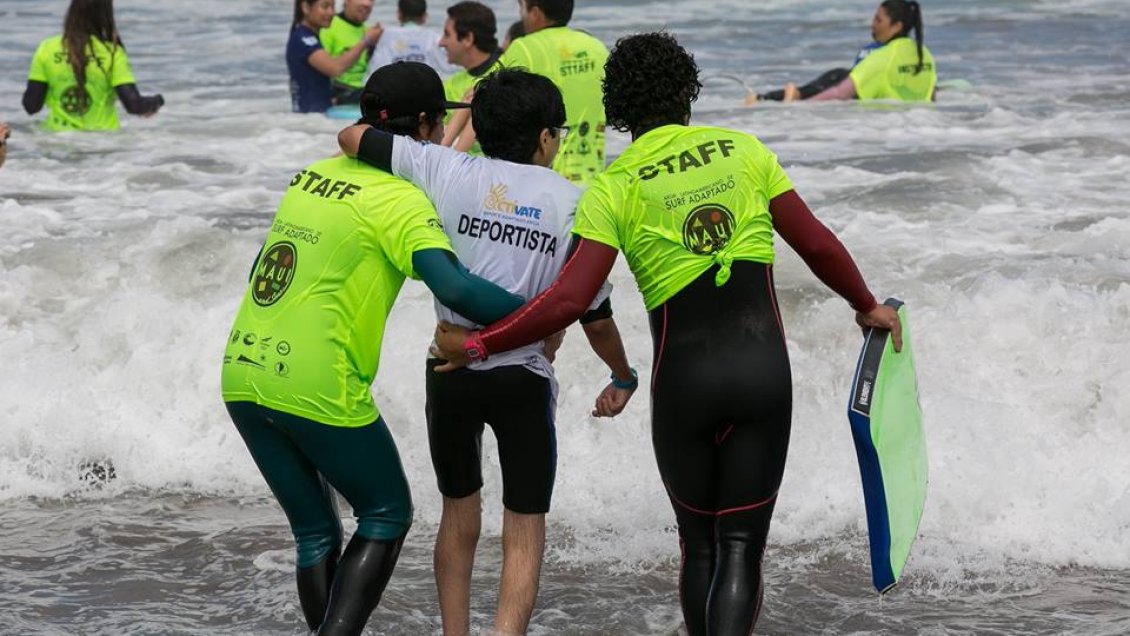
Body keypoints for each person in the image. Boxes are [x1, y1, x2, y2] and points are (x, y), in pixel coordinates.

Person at [432, 33, 903, 636]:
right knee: (739, 547)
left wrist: (479, 345)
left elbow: (571, 300)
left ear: (619, 107)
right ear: (688, 91)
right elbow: (814, 242)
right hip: (761, 375)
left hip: (684, 385)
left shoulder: (614, 184)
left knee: (698, 547)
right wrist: (865, 304)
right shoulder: (744, 151)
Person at [221, 62, 527, 636]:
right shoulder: (400, 200)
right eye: (439, 126)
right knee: (386, 513)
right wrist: (541, 311)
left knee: (316, 533)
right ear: (431, 126)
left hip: (243, 371)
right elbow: (455, 286)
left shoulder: (310, 175)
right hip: (317, 381)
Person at [338, 68, 638, 636]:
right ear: (546, 138)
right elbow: (594, 316)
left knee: (459, 513)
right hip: (521, 377)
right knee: (524, 523)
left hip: (449, 368)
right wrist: (622, 374)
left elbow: (353, 138)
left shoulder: (444, 167)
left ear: (481, 124)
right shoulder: (576, 202)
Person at [498, 0, 608, 186]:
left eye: (522, 8)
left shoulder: (524, 48)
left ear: (535, 13)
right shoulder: (596, 47)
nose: (521, 16)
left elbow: (480, 92)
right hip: (594, 181)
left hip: (545, 183)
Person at [22, 0, 163, 131]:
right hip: (102, 142)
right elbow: (134, 105)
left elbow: (31, 106)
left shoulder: (47, 48)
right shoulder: (112, 53)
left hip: (58, 141)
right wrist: (157, 101)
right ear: (105, 14)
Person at [756, 0, 935, 103]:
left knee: (837, 76)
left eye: (878, 20)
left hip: (880, 122)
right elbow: (931, 94)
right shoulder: (924, 53)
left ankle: (770, 98)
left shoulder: (881, 57)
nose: (872, 25)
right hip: (913, 125)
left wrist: (802, 110)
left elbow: (840, 94)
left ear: (897, 26)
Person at [288, 0, 382, 113]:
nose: (331, 12)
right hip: (309, 118)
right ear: (306, 7)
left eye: (333, 7)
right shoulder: (303, 39)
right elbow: (335, 69)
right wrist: (366, 40)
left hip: (317, 117)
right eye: (325, 6)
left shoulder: (309, 36)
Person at [436, 1, 503, 154]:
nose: (441, 42)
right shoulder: (449, 86)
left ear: (467, 39)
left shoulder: (508, 75)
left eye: (447, 34)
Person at [368, 0, 456, 78]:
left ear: (398, 14)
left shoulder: (386, 35)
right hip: (426, 89)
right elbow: (449, 70)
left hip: (394, 90)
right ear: (425, 16)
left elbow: (375, 71)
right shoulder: (434, 38)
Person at [318, 0, 376, 104]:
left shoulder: (370, 32)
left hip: (365, 91)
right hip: (339, 91)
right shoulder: (327, 27)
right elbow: (322, 72)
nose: (367, 4)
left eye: (371, 0)